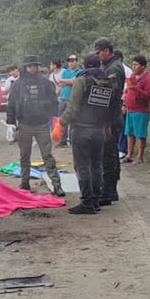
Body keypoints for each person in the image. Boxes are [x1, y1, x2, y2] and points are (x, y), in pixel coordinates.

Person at [53, 53, 114, 214]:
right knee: (96, 165)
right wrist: (107, 126)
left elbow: (72, 108)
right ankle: (95, 200)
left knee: (83, 166)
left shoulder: (82, 81)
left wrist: (60, 124)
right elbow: (110, 107)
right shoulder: (107, 82)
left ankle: (87, 202)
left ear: (85, 66)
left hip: (82, 129)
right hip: (99, 130)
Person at [6, 56, 64, 196]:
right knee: (24, 156)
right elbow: (12, 103)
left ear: (38, 67)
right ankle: (24, 183)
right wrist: (11, 123)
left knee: (47, 156)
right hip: (24, 124)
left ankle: (57, 185)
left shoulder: (46, 83)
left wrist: (54, 119)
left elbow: (53, 102)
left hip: (42, 124)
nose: (32, 68)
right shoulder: (18, 85)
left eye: (34, 66)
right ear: (25, 67)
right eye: (30, 66)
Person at [94, 39, 125, 204]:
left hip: (110, 118)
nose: (98, 56)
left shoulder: (114, 68)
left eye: (99, 52)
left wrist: (105, 123)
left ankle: (108, 192)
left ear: (106, 50)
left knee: (108, 155)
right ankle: (110, 190)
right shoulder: (109, 66)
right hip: (110, 116)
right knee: (109, 155)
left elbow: (110, 96)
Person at [122, 56, 150, 163]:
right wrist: (124, 100)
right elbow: (127, 89)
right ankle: (129, 154)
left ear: (143, 66)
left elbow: (149, 95)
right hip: (130, 109)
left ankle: (140, 156)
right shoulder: (133, 75)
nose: (134, 67)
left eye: (136, 65)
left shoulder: (149, 78)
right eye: (133, 64)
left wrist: (136, 89)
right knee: (129, 133)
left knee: (140, 134)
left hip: (141, 109)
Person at [55, 55, 81, 146]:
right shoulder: (65, 72)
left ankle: (72, 140)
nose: (71, 62)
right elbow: (60, 84)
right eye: (69, 61)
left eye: (73, 60)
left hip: (73, 100)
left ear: (77, 62)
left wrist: (63, 80)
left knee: (74, 121)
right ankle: (62, 141)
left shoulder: (80, 72)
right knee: (62, 120)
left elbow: (75, 81)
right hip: (63, 98)